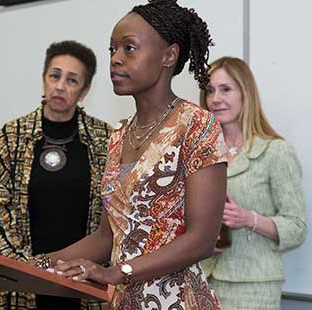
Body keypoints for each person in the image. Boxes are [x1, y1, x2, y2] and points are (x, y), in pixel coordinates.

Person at [33, 1, 228, 309]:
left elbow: (203, 239)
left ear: (169, 55)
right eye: (112, 50)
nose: (116, 60)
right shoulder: (119, 135)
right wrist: (36, 264)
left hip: (177, 300)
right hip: (124, 301)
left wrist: (117, 272)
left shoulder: (198, 126)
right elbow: (106, 237)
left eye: (129, 48)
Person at [0, 40, 112, 310]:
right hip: (22, 282)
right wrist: (21, 266)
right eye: (55, 75)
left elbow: (113, 214)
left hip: (83, 282)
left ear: (85, 90)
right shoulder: (12, 136)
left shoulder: (106, 139)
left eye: (72, 80)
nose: (60, 86)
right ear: (44, 79)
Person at [199, 56, 307, 309]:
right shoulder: (201, 154)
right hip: (201, 280)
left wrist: (249, 219)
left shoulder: (275, 152)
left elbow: (297, 227)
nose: (215, 99)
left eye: (226, 89)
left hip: (254, 287)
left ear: (246, 94)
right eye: (209, 91)